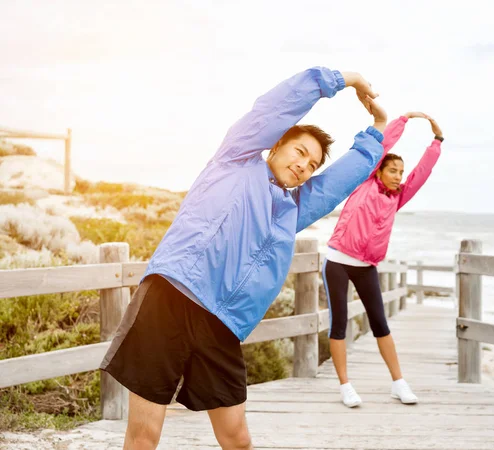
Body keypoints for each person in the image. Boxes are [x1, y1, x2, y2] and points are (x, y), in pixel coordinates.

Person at [100, 67, 388, 450]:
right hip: (171, 298)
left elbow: (338, 183)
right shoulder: (236, 158)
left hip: (223, 325)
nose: (304, 165)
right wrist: (345, 79)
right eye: (300, 151)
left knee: (237, 439)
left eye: (313, 164)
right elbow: (275, 107)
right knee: (144, 435)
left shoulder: (293, 211)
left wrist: (378, 128)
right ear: (276, 145)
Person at [323, 112, 443, 408]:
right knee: (339, 325)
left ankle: (398, 383)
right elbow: (382, 147)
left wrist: (436, 142)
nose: (399, 176)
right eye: (393, 170)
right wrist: (404, 120)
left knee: (381, 324)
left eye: (401, 172)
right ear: (379, 171)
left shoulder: (397, 198)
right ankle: (345, 386)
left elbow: (421, 174)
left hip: (367, 267)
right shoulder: (365, 182)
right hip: (338, 260)